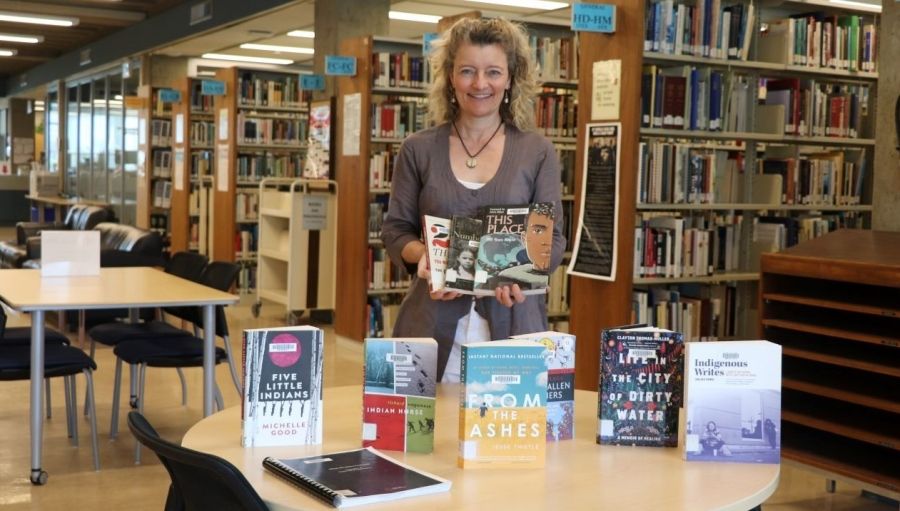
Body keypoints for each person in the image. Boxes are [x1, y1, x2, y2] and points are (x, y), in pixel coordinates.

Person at [381, 17, 566, 382]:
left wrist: (526, 275)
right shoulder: (417, 149)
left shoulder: (537, 152)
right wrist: (426, 260)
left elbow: (554, 238)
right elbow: (395, 231)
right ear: (451, 76)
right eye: (468, 71)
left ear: (511, 78)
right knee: (427, 436)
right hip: (429, 325)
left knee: (506, 437)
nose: (480, 84)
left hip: (513, 327)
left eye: (493, 72)